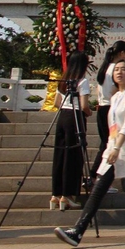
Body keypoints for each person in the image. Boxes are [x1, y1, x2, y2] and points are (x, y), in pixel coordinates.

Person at [55, 60, 125, 246]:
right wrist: (111, 147)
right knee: (99, 189)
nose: (119, 73)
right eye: (117, 70)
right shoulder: (115, 97)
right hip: (114, 149)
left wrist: (117, 147)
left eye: (124, 70)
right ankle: (78, 231)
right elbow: (113, 125)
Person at [52, 51, 91, 211]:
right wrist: (89, 113)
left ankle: (55, 195)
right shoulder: (82, 81)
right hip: (75, 117)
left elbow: (56, 103)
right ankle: (67, 195)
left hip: (62, 117)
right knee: (73, 156)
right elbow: (84, 106)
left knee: (60, 154)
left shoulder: (64, 80)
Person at [91, 41, 125, 191]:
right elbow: (115, 91)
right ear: (121, 53)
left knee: (106, 144)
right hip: (111, 111)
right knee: (109, 145)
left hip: (102, 109)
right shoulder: (116, 68)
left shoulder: (105, 67)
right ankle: (98, 178)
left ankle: (95, 176)